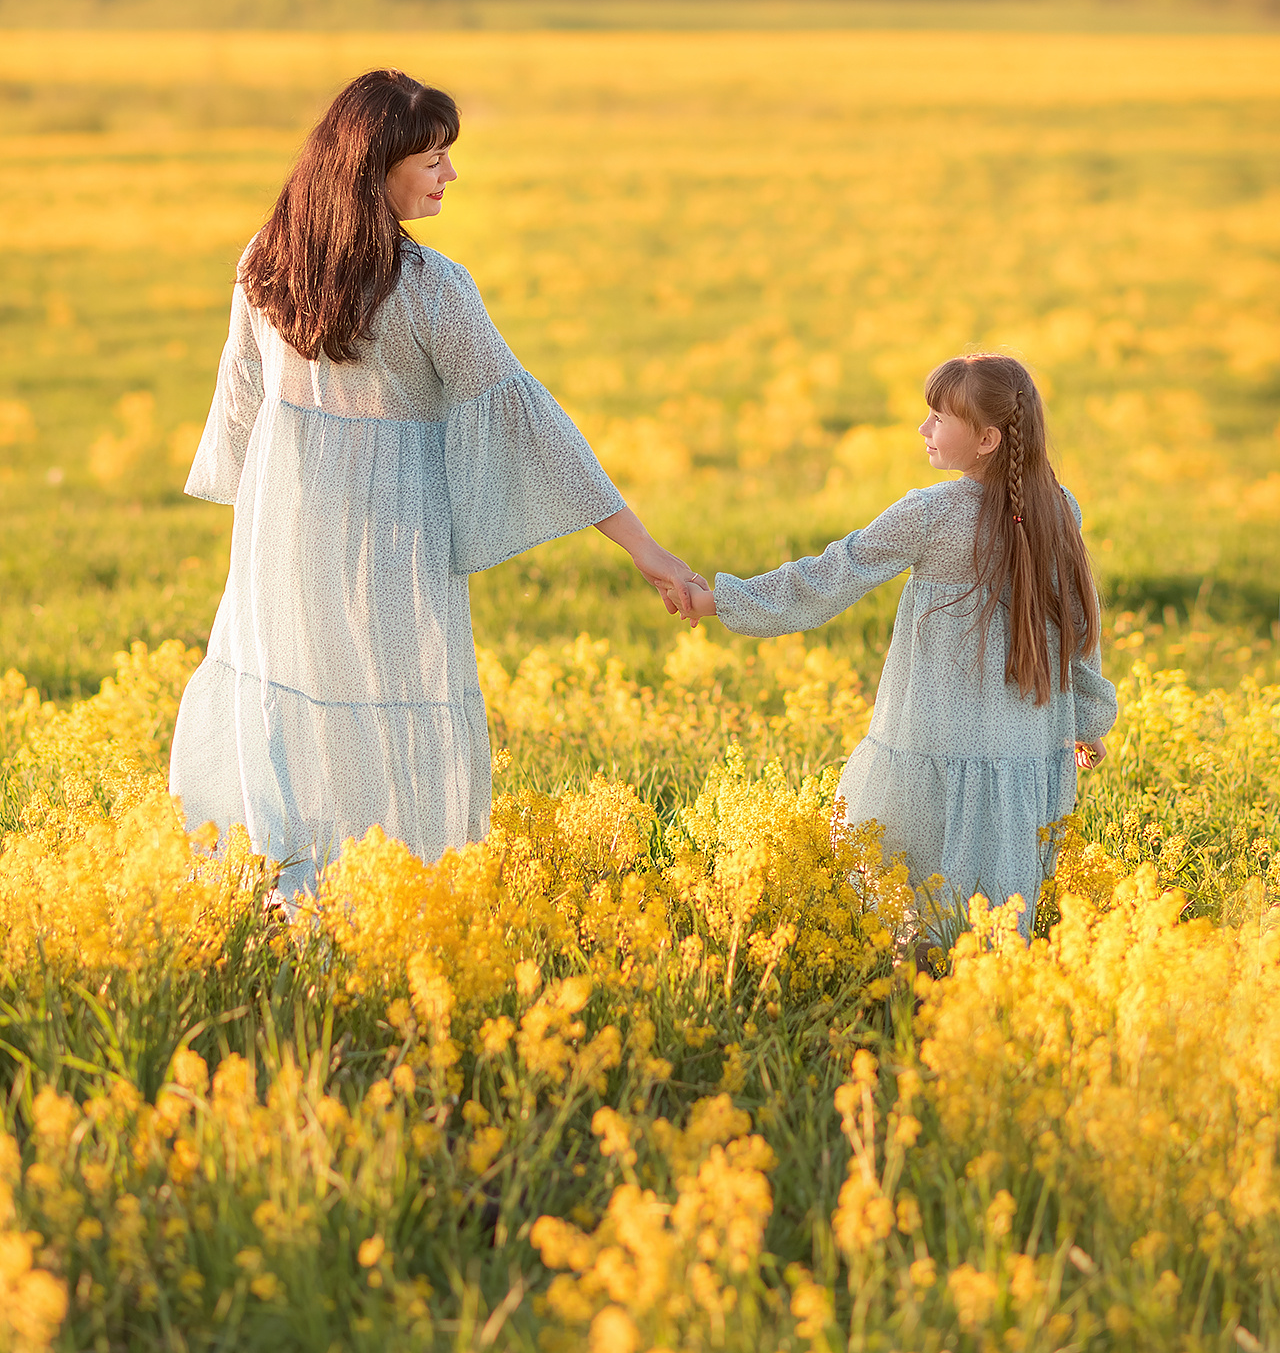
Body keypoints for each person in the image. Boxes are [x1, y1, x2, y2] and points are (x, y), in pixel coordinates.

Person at [170, 69, 700, 900]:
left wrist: (265, 530)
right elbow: (531, 424)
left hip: (283, 527)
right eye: (433, 159)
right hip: (390, 532)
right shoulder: (431, 288)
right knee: (394, 704)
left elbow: (241, 410)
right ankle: (396, 895)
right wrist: (644, 548)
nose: (450, 176)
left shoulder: (264, 264)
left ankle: (291, 890)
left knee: (295, 702)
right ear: (371, 167)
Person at [682, 354, 1116, 935]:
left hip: (930, 736)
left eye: (939, 417)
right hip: (1021, 748)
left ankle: (913, 999)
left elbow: (830, 576)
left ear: (986, 439)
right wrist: (1088, 721)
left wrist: (722, 601)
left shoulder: (932, 513)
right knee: (991, 916)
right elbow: (1079, 632)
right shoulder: (1057, 508)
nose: (924, 427)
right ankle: (974, 994)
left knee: (910, 899)